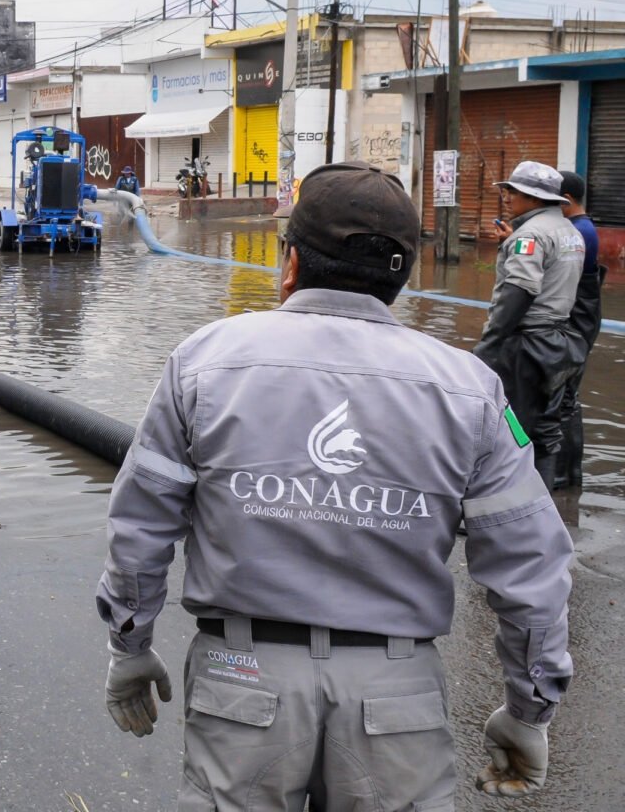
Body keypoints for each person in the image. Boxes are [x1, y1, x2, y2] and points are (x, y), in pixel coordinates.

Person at [97, 161, 573, 806]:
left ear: (290, 262)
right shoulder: (470, 389)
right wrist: (529, 708)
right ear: (402, 277)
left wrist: (130, 646)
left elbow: (140, 528)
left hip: (240, 681)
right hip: (398, 698)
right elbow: (531, 568)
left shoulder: (205, 361)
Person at [477, 161, 585, 489]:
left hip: (527, 345)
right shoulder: (570, 232)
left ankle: (513, 505)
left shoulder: (530, 235)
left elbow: (520, 291)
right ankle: (543, 504)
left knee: (513, 430)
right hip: (560, 341)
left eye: (514, 192)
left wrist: (489, 345)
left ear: (535, 198)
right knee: (546, 432)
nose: (508, 197)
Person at [556, 170, 605, 489]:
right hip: (581, 321)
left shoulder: (578, 232)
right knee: (567, 399)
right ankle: (569, 476)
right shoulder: (581, 228)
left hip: (578, 322)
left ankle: (564, 475)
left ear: (566, 200)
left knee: (564, 400)